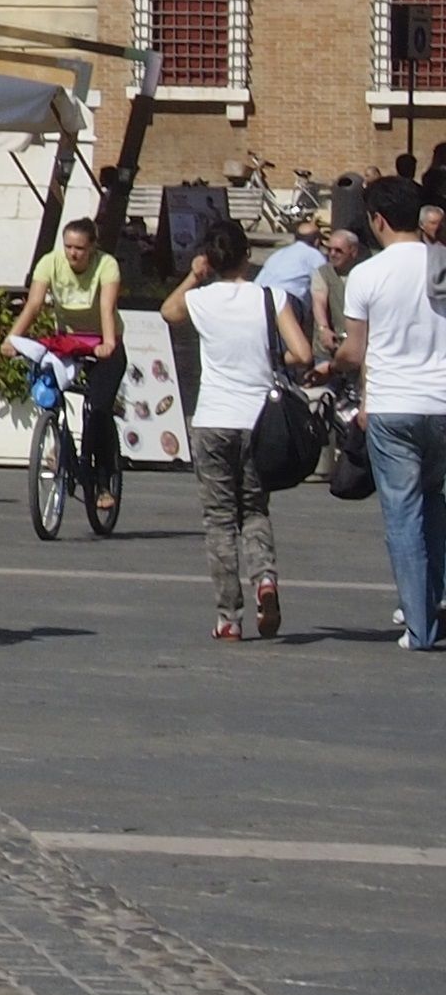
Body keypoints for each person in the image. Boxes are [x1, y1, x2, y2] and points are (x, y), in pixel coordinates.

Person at [164, 217, 306, 643]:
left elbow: (169, 311)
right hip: (258, 421)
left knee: (219, 520)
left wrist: (194, 273)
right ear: (248, 255)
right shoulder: (271, 297)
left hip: (212, 420)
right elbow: (300, 351)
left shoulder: (203, 300)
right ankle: (265, 580)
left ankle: (229, 616)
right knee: (256, 510)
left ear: (211, 257)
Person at [334, 172, 446, 650]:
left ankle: (419, 625)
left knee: (403, 514)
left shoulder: (367, 274)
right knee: (436, 503)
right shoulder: (441, 264)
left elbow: (355, 353)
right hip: (442, 403)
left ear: (378, 221)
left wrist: (329, 364)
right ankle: (433, 600)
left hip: (392, 407)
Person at [3, 213, 125, 504]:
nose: (73, 253)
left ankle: (103, 480)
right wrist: (12, 338)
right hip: (69, 341)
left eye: (80, 248)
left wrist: (108, 343)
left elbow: (107, 307)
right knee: (49, 390)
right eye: (68, 246)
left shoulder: (106, 265)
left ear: (92, 248)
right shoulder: (50, 262)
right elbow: (33, 304)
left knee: (98, 408)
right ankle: (59, 443)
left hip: (103, 341)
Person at [257, 213, 338, 360]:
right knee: (290, 347)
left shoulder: (278, 254)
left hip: (257, 297)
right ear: (317, 241)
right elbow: (324, 285)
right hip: (285, 300)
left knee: (263, 346)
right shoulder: (315, 255)